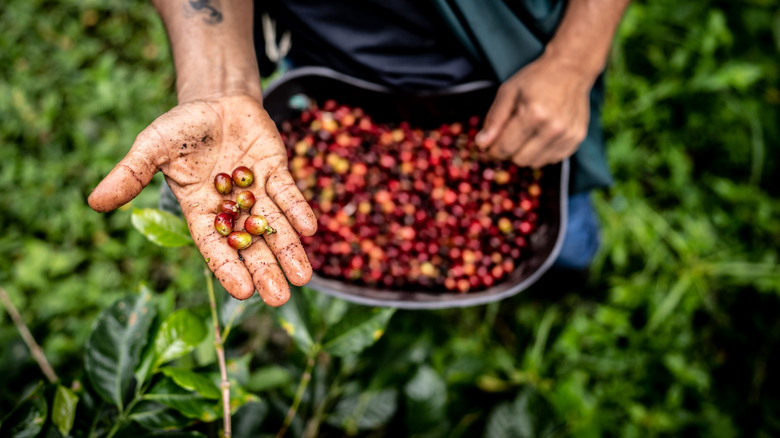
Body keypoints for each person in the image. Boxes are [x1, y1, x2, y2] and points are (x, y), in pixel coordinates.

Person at [88, 0, 630, 306]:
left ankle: (565, 284)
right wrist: (220, 80)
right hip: (330, 66)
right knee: (310, 228)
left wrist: (573, 61)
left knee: (559, 228)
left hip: (515, 70)